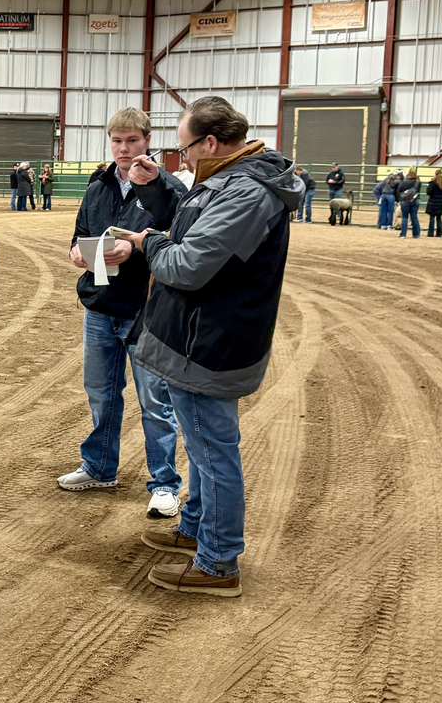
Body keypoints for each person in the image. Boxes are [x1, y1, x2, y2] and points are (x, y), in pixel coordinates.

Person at [125, 95, 302, 597]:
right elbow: (193, 223)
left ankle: (218, 561)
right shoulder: (232, 181)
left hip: (210, 342)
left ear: (209, 142)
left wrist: (148, 242)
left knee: (211, 450)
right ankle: (197, 529)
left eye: (182, 151)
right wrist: (159, 194)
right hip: (198, 337)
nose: (180, 161)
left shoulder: (247, 191)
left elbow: (187, 265)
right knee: (203, 445)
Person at [59, 107, 186, 520]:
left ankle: (164, 482)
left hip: (146, 309)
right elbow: (80, 232)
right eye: (117, 140)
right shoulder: (97, 186)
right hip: (100, 304)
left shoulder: (168, 188)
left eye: (132, 140)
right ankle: (100, 466)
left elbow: (178, 235)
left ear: (147, 141)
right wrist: (78, 252)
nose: (124, 148)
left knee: (155, 400)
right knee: (101, 392)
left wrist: (137, 248)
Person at [396, 168, 421, 238]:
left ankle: (403, 234)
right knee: (414, 217)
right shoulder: (418, 181)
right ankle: (416, 234)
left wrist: (399, 199)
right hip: (415, 200)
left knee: (405, 217)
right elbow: (418, 190)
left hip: (405, 200)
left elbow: (399, 190)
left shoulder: (405, 181)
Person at [425, 169, 442, 238]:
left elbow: (428, 192)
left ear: (435, 174)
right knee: (439, 218)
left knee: (432, 218)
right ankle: (439, 233)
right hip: (440, 202)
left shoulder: (433, 183)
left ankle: (430, 233)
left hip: (433, 201)